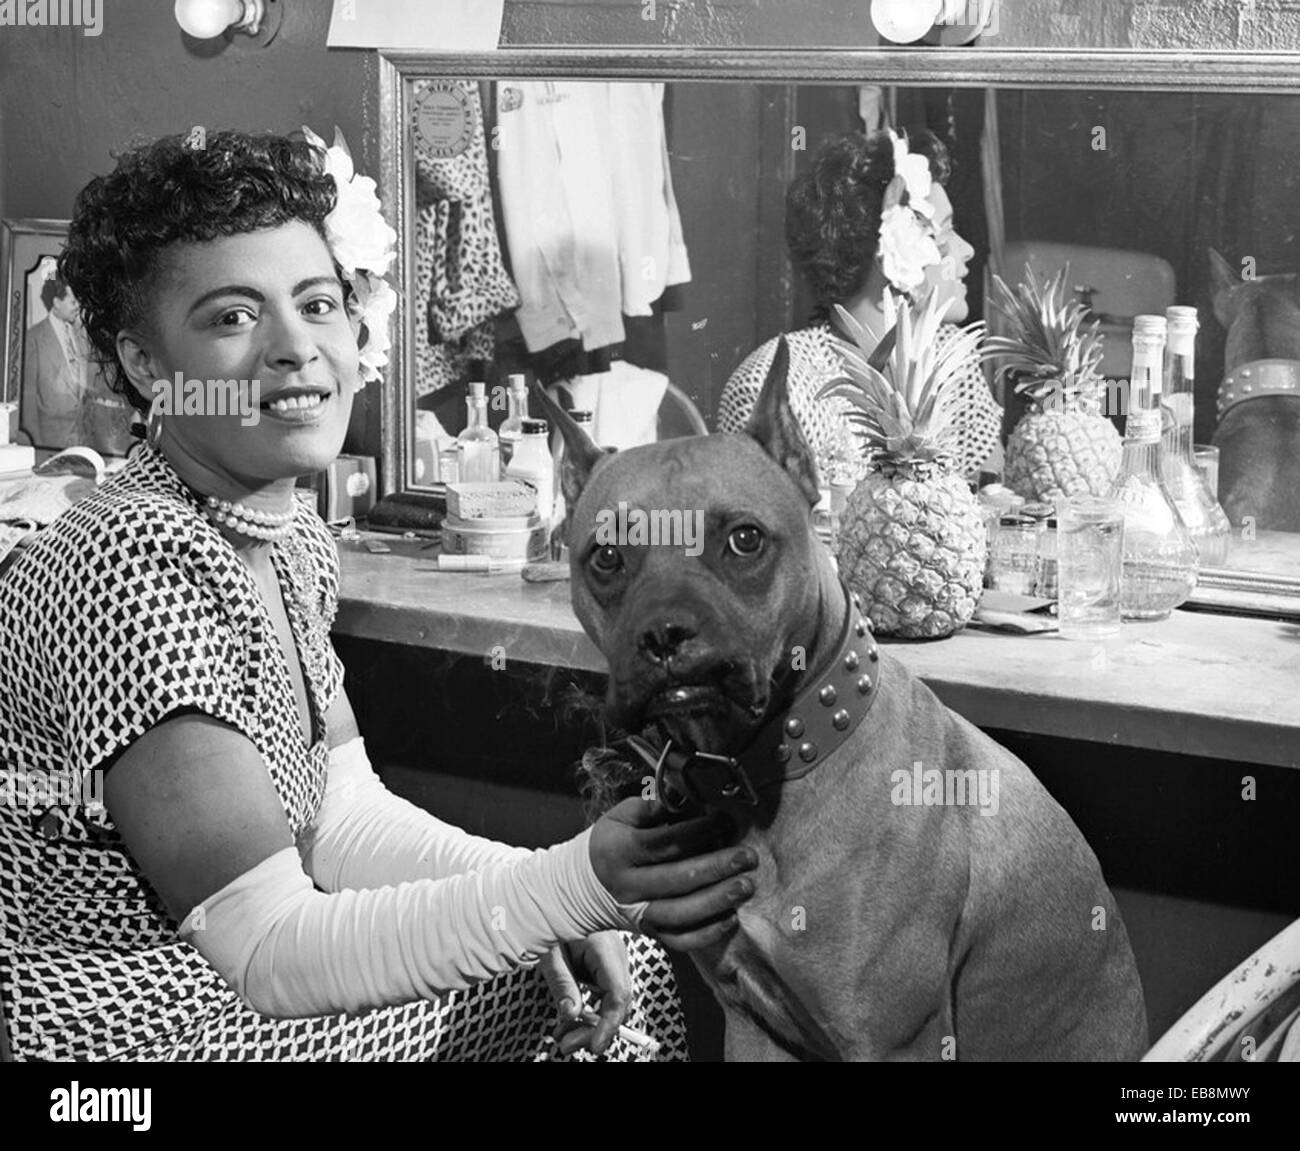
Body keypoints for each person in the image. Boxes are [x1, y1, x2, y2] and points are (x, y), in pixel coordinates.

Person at [0, 129, 757, 1062]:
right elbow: (268, 947)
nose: (295, 348)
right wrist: (564, 889)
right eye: (233, 317)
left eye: (317, 303)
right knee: (616, 1018)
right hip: (133, 1047)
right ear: (150, 367)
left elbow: (339, 819)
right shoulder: (131, 558)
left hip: (226, 1001)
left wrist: (540, 891)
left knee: (607, 977)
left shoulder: (285, 538)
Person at [716, 129, 1002, 485]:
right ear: (894, 253)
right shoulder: (773, 385)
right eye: (945, 232)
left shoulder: (952, 363)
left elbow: (996, 505)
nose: (967, 249)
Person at [20, 275, 89, 449]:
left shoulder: (80, 334)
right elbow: (27, 398)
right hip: (49, 441)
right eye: (73, 302)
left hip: (82, 441)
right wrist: (34, 446)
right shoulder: (33, 337)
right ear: (57, 302)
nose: (78, 306)